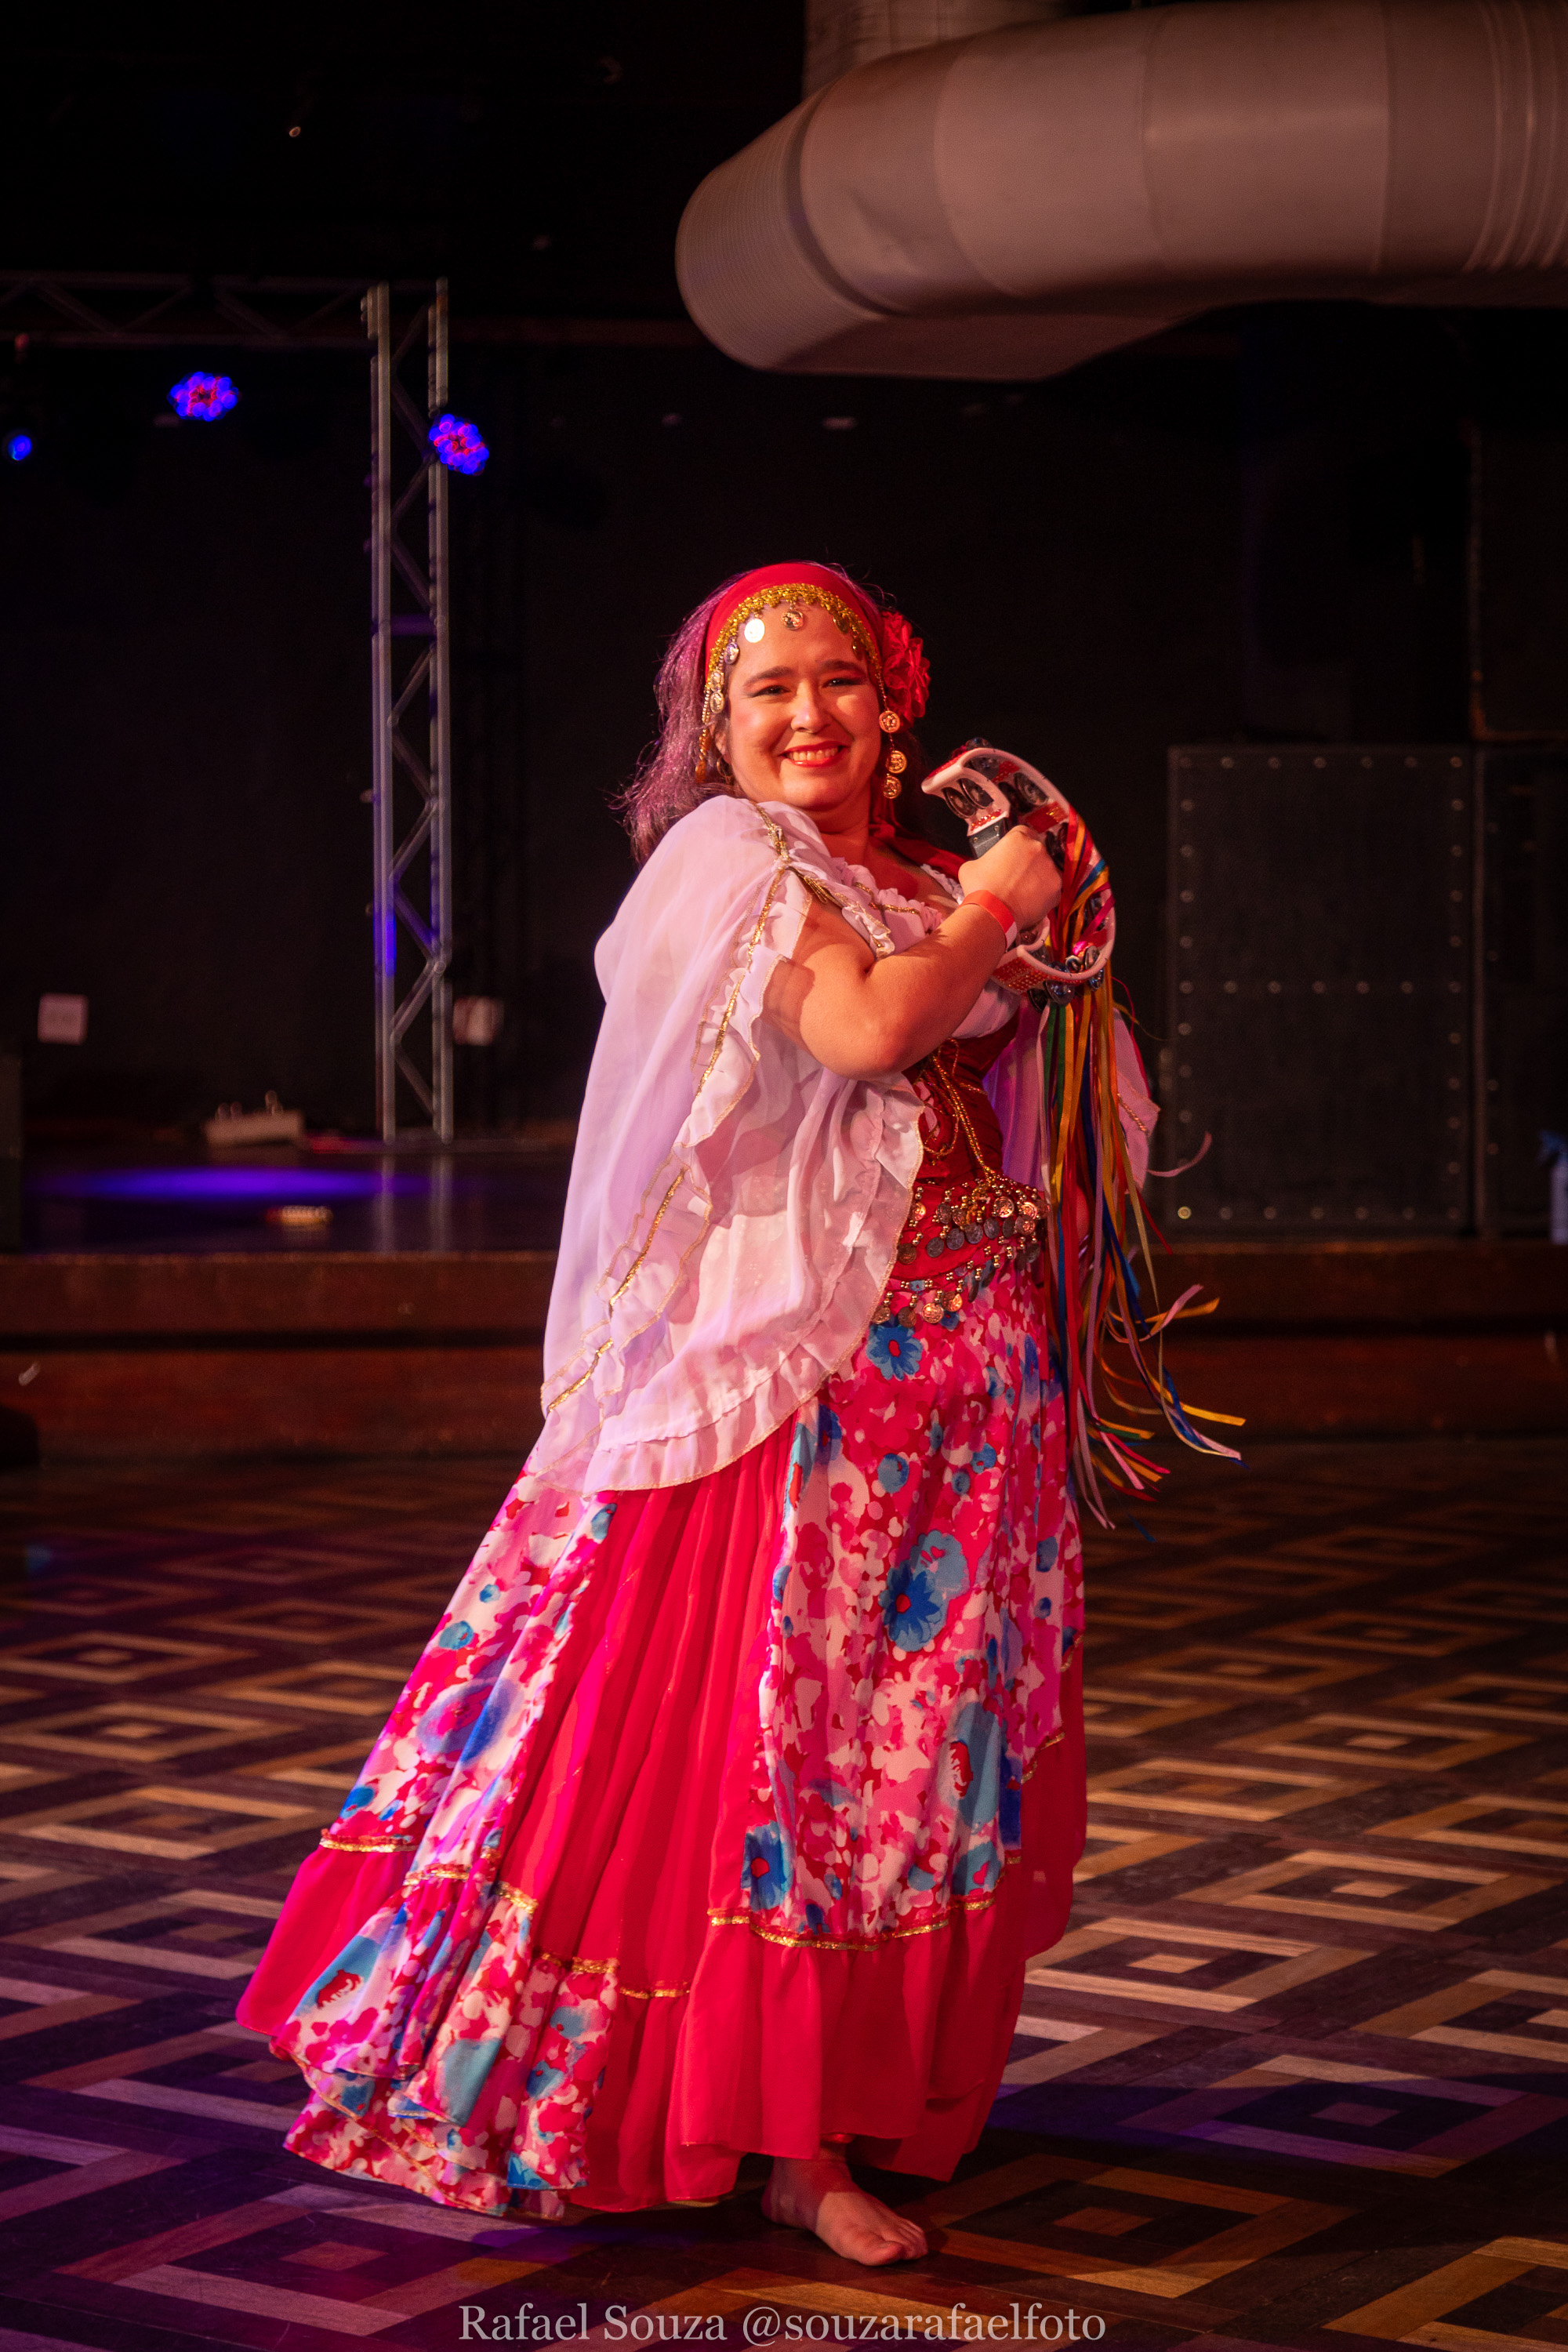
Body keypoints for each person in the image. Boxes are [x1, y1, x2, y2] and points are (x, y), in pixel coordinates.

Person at [238, 560, 1096, 2269]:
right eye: (762, 690)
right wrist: (996, 910)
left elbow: (1011, 1060)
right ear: (713, 727)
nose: (804, 716)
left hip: (951, 1400)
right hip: (787, 1408)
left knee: (903, 1772)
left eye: (835, 682)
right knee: (762, 1767)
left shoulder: (899, 872)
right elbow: (864, 1030)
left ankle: (834, 2119)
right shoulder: (731, 867)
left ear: (891, 703)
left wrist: (1019, 926)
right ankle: (759, 2129)